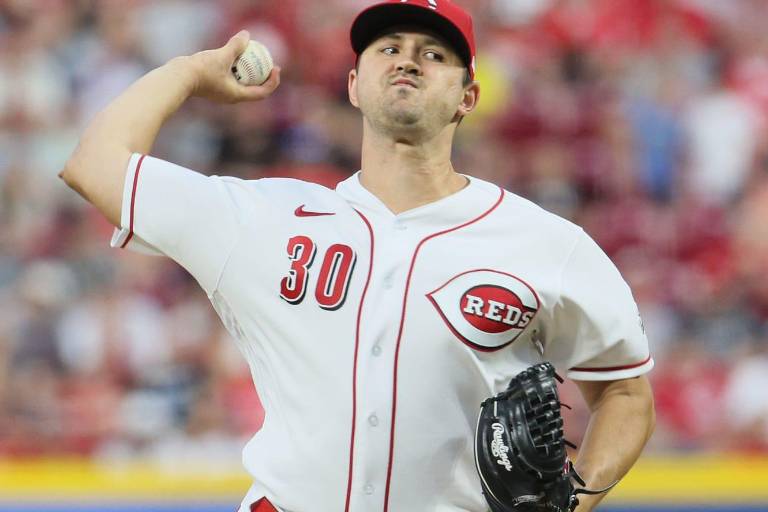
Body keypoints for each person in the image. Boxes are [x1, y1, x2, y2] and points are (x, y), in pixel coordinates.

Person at [60, 1, 655, 511]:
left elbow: (626, 395)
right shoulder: (264, 217)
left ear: (467, 96)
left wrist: (574, 500)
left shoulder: (545, 243)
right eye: (388, 48)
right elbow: (94, 165)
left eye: (433, 54)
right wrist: (187, 72)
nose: (407, 61)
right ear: (352, 85)